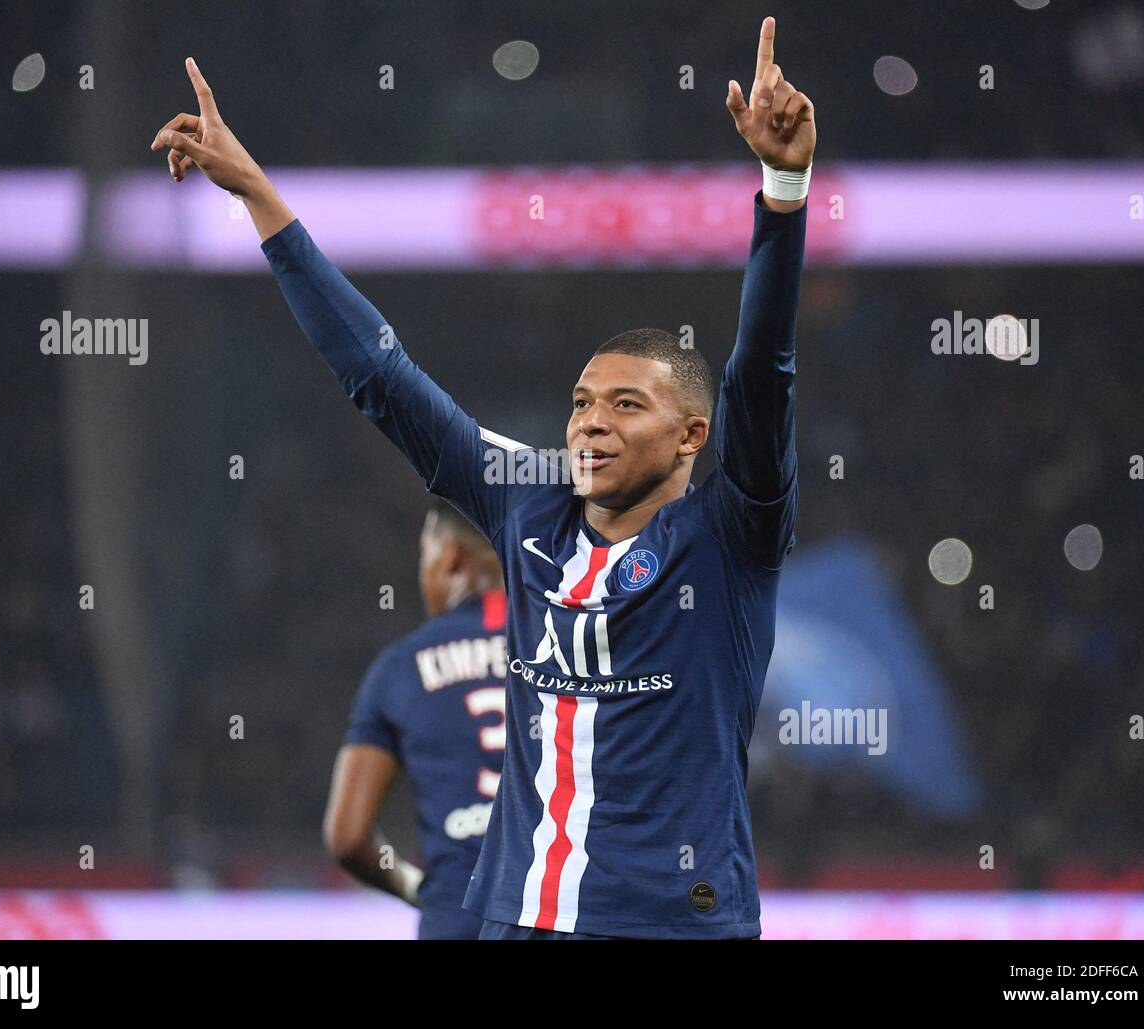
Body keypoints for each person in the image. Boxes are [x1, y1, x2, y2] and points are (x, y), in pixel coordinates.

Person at [152, 14, 813, 938]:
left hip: (677, 922)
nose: (590, 420)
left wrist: (784, 191)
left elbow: (763, 371)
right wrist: (258, 194)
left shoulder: (728, 538)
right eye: (582, 402)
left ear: (693, 435)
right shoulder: (528, 503)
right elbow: (382, 377)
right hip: (517, 921)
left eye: (627, 405)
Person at [323, 501, 507, 940]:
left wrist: (416, 888)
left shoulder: (400, 668)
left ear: (450, 558)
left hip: (456, 918)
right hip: (562, 919)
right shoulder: (572, 645)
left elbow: (347, 838)